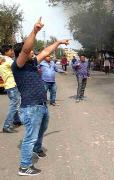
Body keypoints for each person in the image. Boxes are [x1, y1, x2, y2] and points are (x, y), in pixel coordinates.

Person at [11, 17, 69, 176]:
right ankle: (24, 167)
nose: (33, 52)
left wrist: (58, 42)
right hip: (31, 107)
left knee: (42, 130)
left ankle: (37, 148)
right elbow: (25, 49)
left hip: (41, 105)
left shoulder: (32, 63)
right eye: (30, 51)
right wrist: (35, 31)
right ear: (21, 54)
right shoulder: (18, 65)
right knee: (30, 137)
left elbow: (45, 51)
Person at [0, 45, 21, 133]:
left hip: (8, 85)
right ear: (6, 52)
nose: (12, 52)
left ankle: (16, 120)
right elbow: (18, 67)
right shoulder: (8, 60)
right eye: (11, 50)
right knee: (14, 106)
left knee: (14, 104)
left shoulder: (2, 59)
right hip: (12, 85)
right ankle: (6, 125)